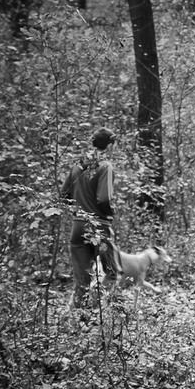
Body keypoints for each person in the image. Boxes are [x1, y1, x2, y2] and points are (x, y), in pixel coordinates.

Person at [61, 127, 122, 307]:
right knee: (113, 273)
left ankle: (77, 317)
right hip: (98, 229)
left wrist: (78, 212)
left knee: (81, 281)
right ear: (109, 145)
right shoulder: (105, 166)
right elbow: (104, 198)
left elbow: (63, 195)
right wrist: (110, 213)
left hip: (78, 228)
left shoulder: (77, 165)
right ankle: (102, 312)